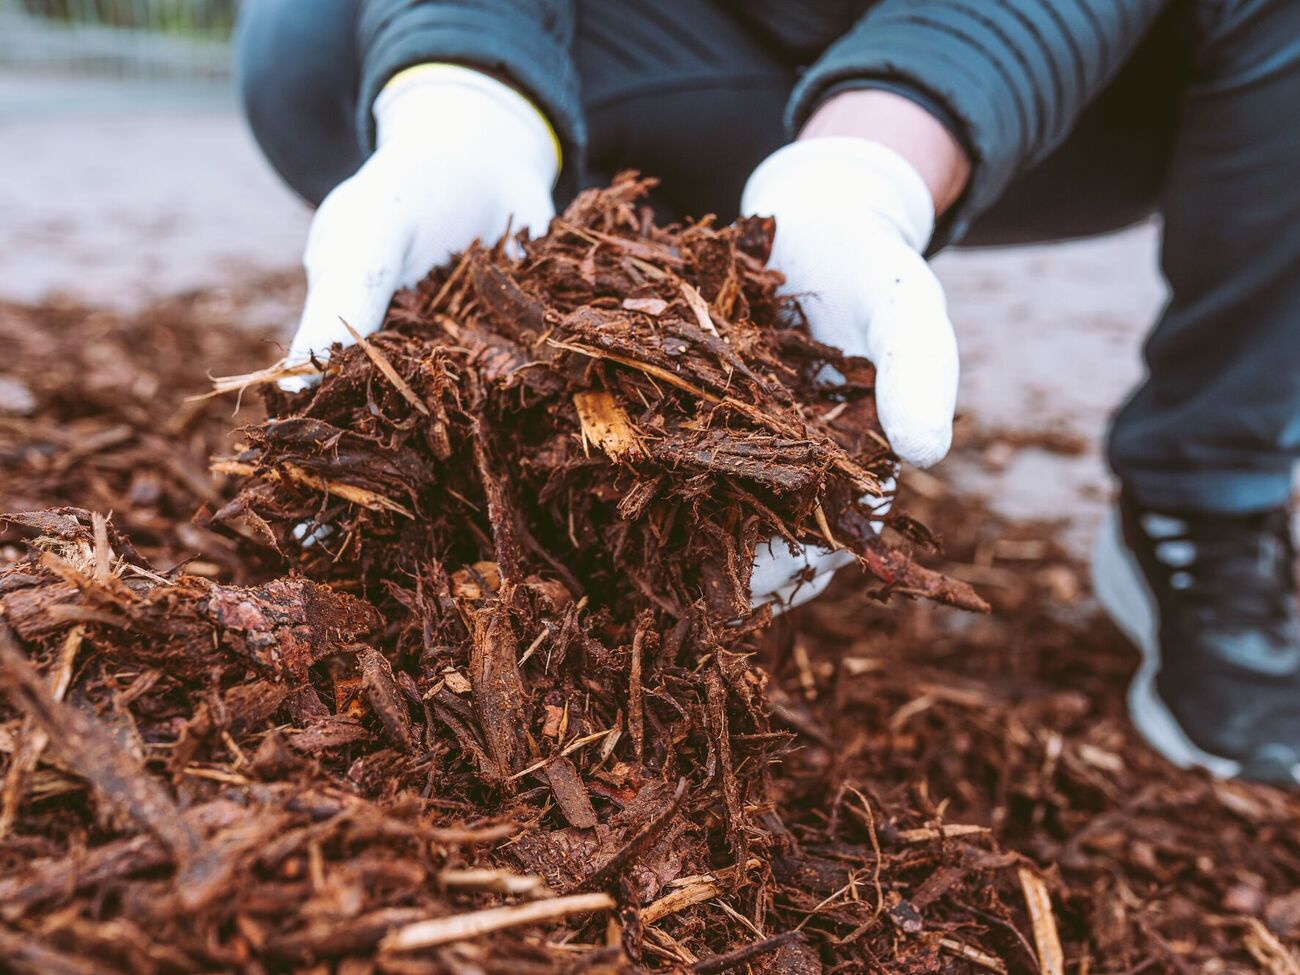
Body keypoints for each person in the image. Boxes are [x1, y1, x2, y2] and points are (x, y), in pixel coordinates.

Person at [233, 0, 1300, 786]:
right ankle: (580, 204)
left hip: (1063, 71)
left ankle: (1205, 497)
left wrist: (872, 165)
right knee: (312, 37)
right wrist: (466, 90)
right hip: (672, 41)